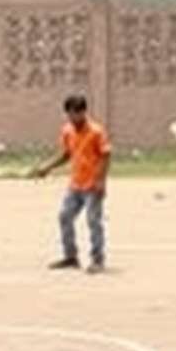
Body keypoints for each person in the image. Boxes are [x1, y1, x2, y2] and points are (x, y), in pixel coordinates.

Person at [31, 94, 112, 274]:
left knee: (93, 221)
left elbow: (106, 155)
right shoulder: (68, 130)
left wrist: (100, 181)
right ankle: (71, 257)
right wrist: (47, 168)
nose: (72, 119)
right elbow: (66, 154)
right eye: (69, 115)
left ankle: (97, 260)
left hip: (92, 186)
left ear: (83, 112)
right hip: (75, 184)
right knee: (64, 217)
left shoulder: (96, 131)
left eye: (75, 114)